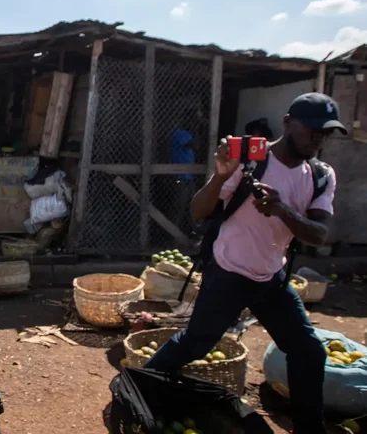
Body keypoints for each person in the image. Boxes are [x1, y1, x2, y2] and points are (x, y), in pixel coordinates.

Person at [145, 92, 345, 434]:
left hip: (271, 278)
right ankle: (141, 383)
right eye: (312, 128)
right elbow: (198, 211)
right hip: (228, 272)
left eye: (325, 132)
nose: (318, 138)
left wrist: (282, 210)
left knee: (308, 352)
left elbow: (319, 234)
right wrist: (221, 176)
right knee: (196, 342)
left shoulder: (320, 175)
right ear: (287, 123)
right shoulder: (251, 161)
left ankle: (310, 429)